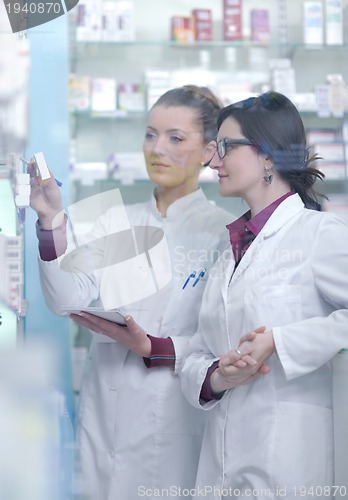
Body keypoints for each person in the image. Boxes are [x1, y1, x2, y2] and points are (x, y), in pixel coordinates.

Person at [29, 85, 235, 499]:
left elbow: (222, 341)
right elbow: (65, 299)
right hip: (103, 418)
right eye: (150, 134)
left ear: (209, 151)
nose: (157, 148)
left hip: (173, 420)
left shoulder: (222, 233)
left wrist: (155, 347)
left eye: (176, 137)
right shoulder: (116, 220)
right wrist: (51, 220)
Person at [181, 91, 348, 499]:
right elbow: (199, 351)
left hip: (286, 465)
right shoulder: (228, 248)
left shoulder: (319, 235)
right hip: (220, 468)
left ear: (268, 156)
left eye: (224, 147)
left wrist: (280, 342)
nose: (212, 161)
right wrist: (217, 377)